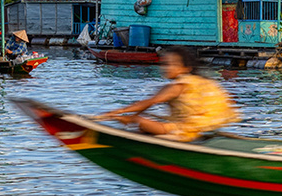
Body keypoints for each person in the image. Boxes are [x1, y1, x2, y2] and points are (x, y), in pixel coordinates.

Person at [94, 47, 238, 141]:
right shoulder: (194, 82)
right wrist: (125, 115)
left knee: (139, 122)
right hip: (193, 129)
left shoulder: (180, 85)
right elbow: (147, 104)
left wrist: (119, 113)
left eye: (171, 64)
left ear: (185, 68)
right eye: (165, 63)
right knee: (140, 121)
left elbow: (149, 102)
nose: (165, 68)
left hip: (182, 131)